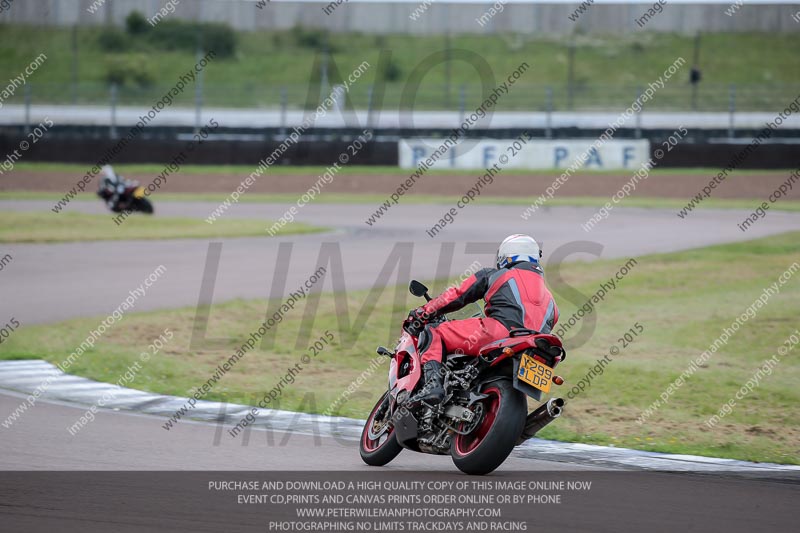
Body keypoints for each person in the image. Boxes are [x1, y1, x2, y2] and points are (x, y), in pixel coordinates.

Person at [407, 234, 559, 404]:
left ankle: (432, 385)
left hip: (499, 333)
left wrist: (424, 312)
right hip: (536, 347)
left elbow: (457, 295)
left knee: (434, 331)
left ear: (505, 256)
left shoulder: (496, 275)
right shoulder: (552, 301)